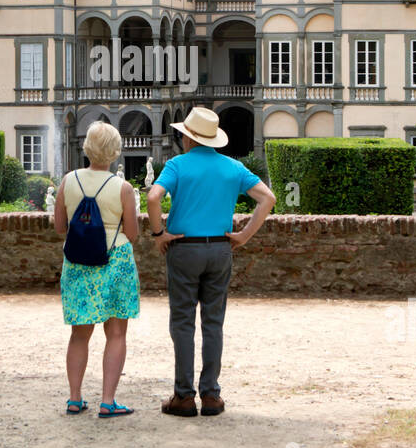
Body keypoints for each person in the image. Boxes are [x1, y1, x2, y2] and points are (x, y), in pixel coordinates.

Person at [147, 107, 275, 417]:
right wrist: (244, 235)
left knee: (182, 322)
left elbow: (153, 198)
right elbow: (268, 198)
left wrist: (158, 234)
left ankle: (184, 396)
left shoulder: (178, 164)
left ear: (188, 138)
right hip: (220, 248)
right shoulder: (232, 167)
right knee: (213, 323)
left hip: (184, 248)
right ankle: (211, 395)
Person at [54, 121, 141, 418]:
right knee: (116, 333)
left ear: (87, 147)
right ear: (115, 151)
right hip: (114, 261)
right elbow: (133, 233)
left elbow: (59, 228)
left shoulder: (68, 181)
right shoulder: (123, 188)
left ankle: (75, 398)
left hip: (77, 263)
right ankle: (107, 401)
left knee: (80, 334)